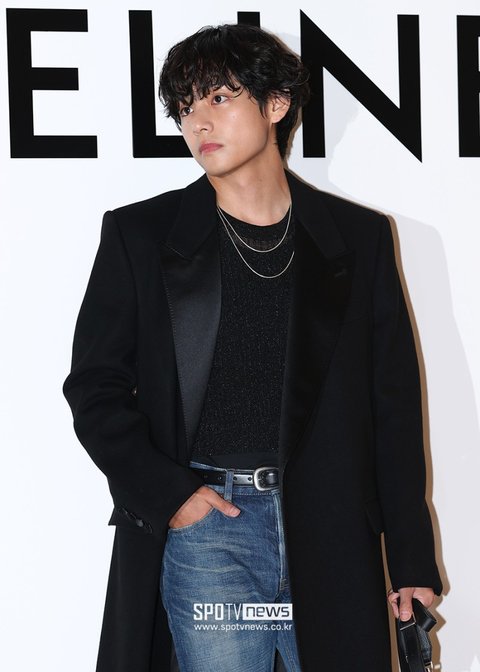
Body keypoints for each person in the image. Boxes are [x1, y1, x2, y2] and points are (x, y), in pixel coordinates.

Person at [63, 23, 442, 672]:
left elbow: (394, 408)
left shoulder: (359, 239)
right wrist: (173, 496)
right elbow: (94, 387)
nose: (198, 122)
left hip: (330, 529)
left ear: (276, 104)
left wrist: (410, 559)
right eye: (186, 107)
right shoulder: (141, 236)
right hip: (211, 531)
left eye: (219, 97)